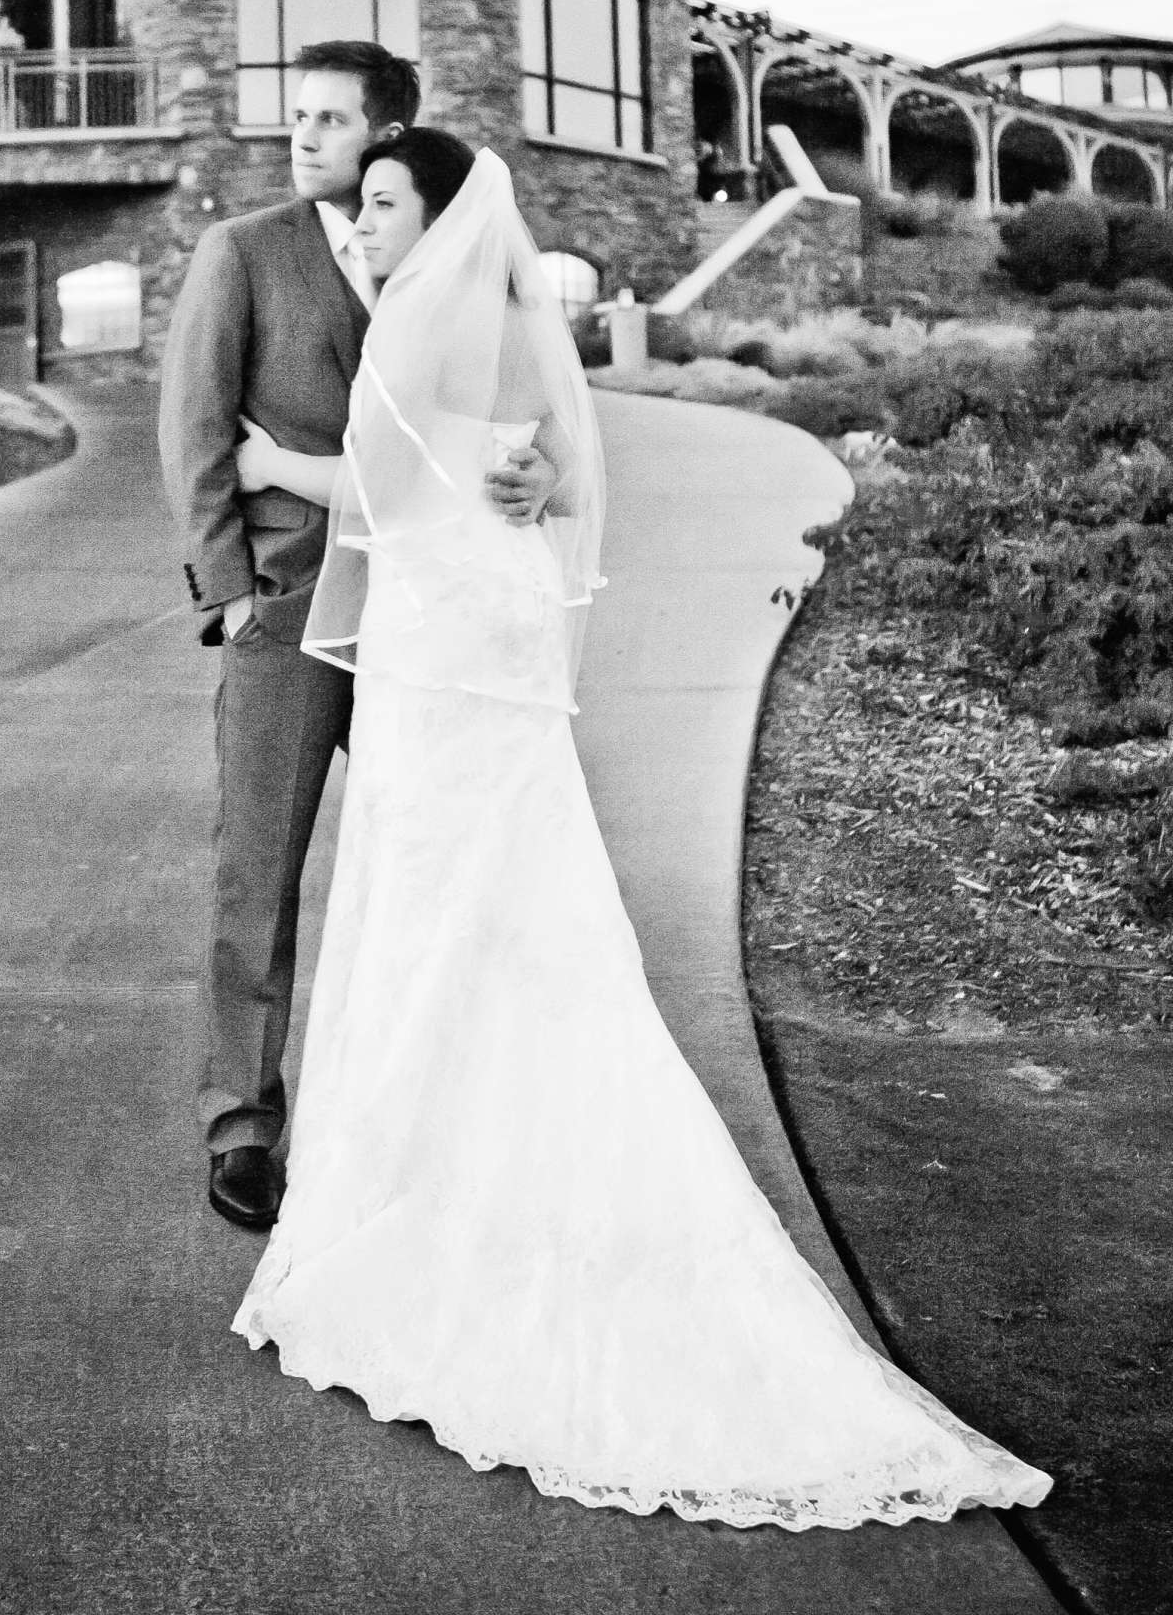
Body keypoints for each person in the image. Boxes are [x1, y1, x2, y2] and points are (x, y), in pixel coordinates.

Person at [227, 127, 1053, 1531]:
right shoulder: (509, 323)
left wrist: (267, 458)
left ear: (438, 220)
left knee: (431, 918)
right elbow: (555, 475)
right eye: (358, 203)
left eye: (380, 203)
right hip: (489, 637)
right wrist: (535, 489)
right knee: (511, 921)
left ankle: (427, 1212)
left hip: (442, 654)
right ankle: (482, 1169)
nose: (358, 224)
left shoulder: (420, 328)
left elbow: (376, 493)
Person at [158, 51, 553, 1232]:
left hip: (430, 626)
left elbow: (501, 428)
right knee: (256, 872)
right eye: (296, 117)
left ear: (389, 132)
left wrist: (528, 469)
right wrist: (226, 594)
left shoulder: (451, 261)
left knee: (429, 866)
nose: (304, 136)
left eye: (332, 119)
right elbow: (191, 430)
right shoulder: (244, 251)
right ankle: (242, 1123)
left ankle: (426, 1106)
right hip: (285, 617)